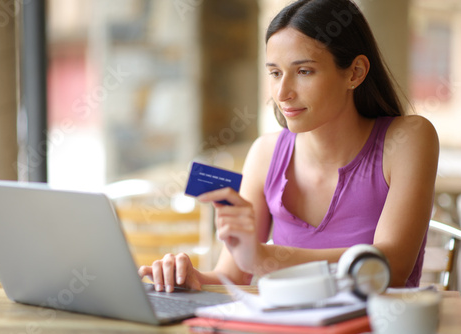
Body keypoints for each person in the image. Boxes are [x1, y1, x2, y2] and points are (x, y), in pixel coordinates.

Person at [138, 0, 439, 292]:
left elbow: (391, 267)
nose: (282, 93)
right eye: (275, 73)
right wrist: (190, 278)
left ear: (355, 72)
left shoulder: (409, 139)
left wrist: (264, 258)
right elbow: (233, 276)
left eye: (304, 71)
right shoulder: (265, 154)